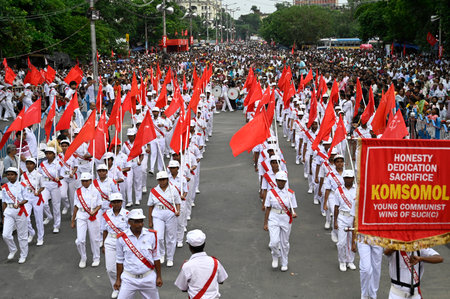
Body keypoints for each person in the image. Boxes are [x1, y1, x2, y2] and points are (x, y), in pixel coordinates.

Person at [114, 208, 162, 299]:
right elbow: (119, 260)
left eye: (141, 221)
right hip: (129, 278)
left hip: (148, 277)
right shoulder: (121, 238)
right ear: (129, 222)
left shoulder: (151, 235)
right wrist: (118, 279)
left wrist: (159, 276)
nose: (140, 225)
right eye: (136, 222)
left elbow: (156, 257)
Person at [174, 229, 228, 298]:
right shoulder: (215, 262)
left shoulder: (187, 266)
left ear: (190, 246)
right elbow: (221, 281)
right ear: (204, 244)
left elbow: (183, 288)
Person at [263, 172, 297, 271]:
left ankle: (284, 262)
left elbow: (293, 208)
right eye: (279, 181)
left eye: (283, 181)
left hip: (285, 217)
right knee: (274, 242)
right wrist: (265, 223)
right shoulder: (271, 193)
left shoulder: (290, 193)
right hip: (274, 216)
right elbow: (268, 208)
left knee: (284, 242)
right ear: (276, 181)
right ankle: (275, 256)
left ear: (285, 182)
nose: (281, 183)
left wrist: (294, 213)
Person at [147, 171, 181, 267]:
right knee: (159, 237)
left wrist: (178, 211)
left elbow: (178, 202)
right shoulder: (154, 191)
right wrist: (150, 220)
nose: (162, 181)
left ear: (167, 179)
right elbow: (150, 206)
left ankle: (170, 258)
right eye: (160, 180)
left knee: (171, 237)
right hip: (158, 214)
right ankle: (161, 254)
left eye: (163, 179)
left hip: (170, 214)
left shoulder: (173, 189)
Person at [71, 172, 102, 268]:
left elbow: (99, 204)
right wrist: (73, 220)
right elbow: (75, 206)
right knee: (80, 240)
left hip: (92, 215)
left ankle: (96, 258)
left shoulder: (95, 191)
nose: (84, 183)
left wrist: (94, 211)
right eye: (83, 181)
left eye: (86, 181)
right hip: (81, 214)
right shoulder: (78, 191)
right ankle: (83, 257)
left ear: (90, 181)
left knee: (94, 239)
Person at [102, 193, 129, 299]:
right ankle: (116, 288)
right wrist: (104, 244)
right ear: (111, 203)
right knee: (110, 268)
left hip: (123, 242)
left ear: (122, 202)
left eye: (118, 202)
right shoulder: (106, 214)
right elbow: (104, 230)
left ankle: (124, 288)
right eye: (114, 202)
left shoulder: (127, 214)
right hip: (110, 240)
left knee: (124, 267)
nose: (116, 204)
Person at [2, 167, 29, 263]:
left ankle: (23, 255)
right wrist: (3, 216)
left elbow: (26, 199)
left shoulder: (22, 185)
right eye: (8, 174)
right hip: (8, 211)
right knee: (5, 234)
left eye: (12, 174)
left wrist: (20, 203)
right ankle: (13, 249)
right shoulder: (4, 187)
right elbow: (4, 202)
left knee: (22, 235)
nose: (10, 176)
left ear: (16, 175)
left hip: (19, 211)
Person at [333, 169, 357, 272]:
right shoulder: (338, 190)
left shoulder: (357, 190)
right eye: (346, 178)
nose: (348, 179)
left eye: (350, 178)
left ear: (353, 178)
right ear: (343, 179)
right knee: (341, 242)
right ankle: (342, 261)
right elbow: (336, 207)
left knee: (352, 240)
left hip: (353, 217)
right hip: (342, 217)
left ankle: (350, 260)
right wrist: (335, 221)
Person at [20, 157, 45, 246]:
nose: (28, 165)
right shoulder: (23, 176)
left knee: (39, 219)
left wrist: (38, 191)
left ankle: (40, 238)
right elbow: (22, 186)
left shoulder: (39, 175)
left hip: (36, 199)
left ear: (34, 165)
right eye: (27, 164)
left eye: (30, 164)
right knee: (25, 218)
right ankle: (31, 232)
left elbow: (43, 186)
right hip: (26, 199)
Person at [39, 147, 62, 233]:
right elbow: (39, 173)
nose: (48, 155)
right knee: (44, 202)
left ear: (54, 154)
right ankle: (49, 216)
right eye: (47, 153)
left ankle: (56, 225)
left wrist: (59, 177)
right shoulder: (43, 164)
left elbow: (63, 174)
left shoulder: (58, 164)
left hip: (55, 185)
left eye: (50, 153)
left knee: (56, 206)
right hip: (45, 184)